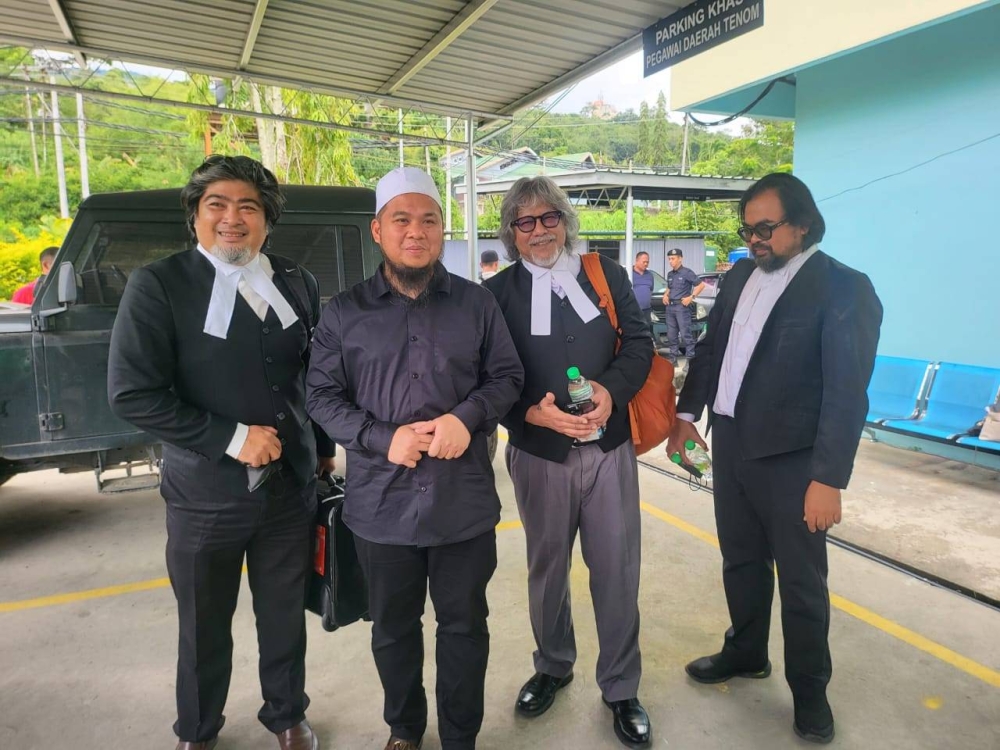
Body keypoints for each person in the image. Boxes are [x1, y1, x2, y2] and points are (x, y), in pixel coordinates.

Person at [108, 155, 333, 750]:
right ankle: (199, 730)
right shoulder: (158, 285)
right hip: (205, 493)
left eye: (248, 207)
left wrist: (326, 448)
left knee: (284, 615)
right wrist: (233, 438)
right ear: (196, 217)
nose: (232, 219)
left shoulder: (295, 281)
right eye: (217, 205)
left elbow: (315, 377)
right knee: (205, 624)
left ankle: (287, 714)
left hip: (290, 488)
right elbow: (132, 394)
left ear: (267, 220)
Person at [306, 167, 524, 750]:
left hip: (463, 504)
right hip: (380, 506)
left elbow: (507, 376)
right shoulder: (344, 312)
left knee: (463, 628)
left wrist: (467, 417)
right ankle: (404, 730)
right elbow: (320, 396)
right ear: (378, 230)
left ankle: (460, 738)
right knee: (393, 630)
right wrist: (381, 438)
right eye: (401, 219)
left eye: (428, 220)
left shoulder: (476, 304)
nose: (416, 231)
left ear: (442, 230)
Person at [667, 173, 882, 745]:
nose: (755, 239)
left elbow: (846, 392)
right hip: (732, 442)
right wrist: (685, 419)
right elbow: (711, 351)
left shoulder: (844, 288)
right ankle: (746, 652)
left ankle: (810, 691)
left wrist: (828, 478)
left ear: (803, 223)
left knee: (802, 583)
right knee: (740, 560)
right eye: (748, 228)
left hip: (795, 462)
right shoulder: (740, 274)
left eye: (766, 228)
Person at [484, 176, 654, 748]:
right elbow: (486, 378)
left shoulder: (606, 276)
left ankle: (622, 686)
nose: (538, 230)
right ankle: (553, 664)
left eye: (548, 217)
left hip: (607, 450)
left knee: (616, 568)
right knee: (547, 569)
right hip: (540, 455)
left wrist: (612, 391)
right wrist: (528, 415)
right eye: (525, 222)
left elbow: (640, 344)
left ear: (564, 220)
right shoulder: (496, 294)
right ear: (512, 232)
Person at [662, 248, 705, 363]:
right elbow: (670, 287)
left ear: (680, 259)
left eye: (673, 259)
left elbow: (701, 285)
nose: (671, 261)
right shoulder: (670, 274)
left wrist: (691, 297)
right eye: (669, 259)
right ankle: (673, 359)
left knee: (686, 334)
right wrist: (665, 295)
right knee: (671, 335)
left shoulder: (687, 272)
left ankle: (690, 360)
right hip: (670, 307)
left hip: (681, 307)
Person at [631, 250, 654, 316]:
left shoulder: (650, 275)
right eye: (644, 262)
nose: (646, 264)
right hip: (633, 311)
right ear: (637, 260)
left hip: (647, 311)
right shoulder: (628, 273)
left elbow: (651, 290)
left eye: (647, 262)